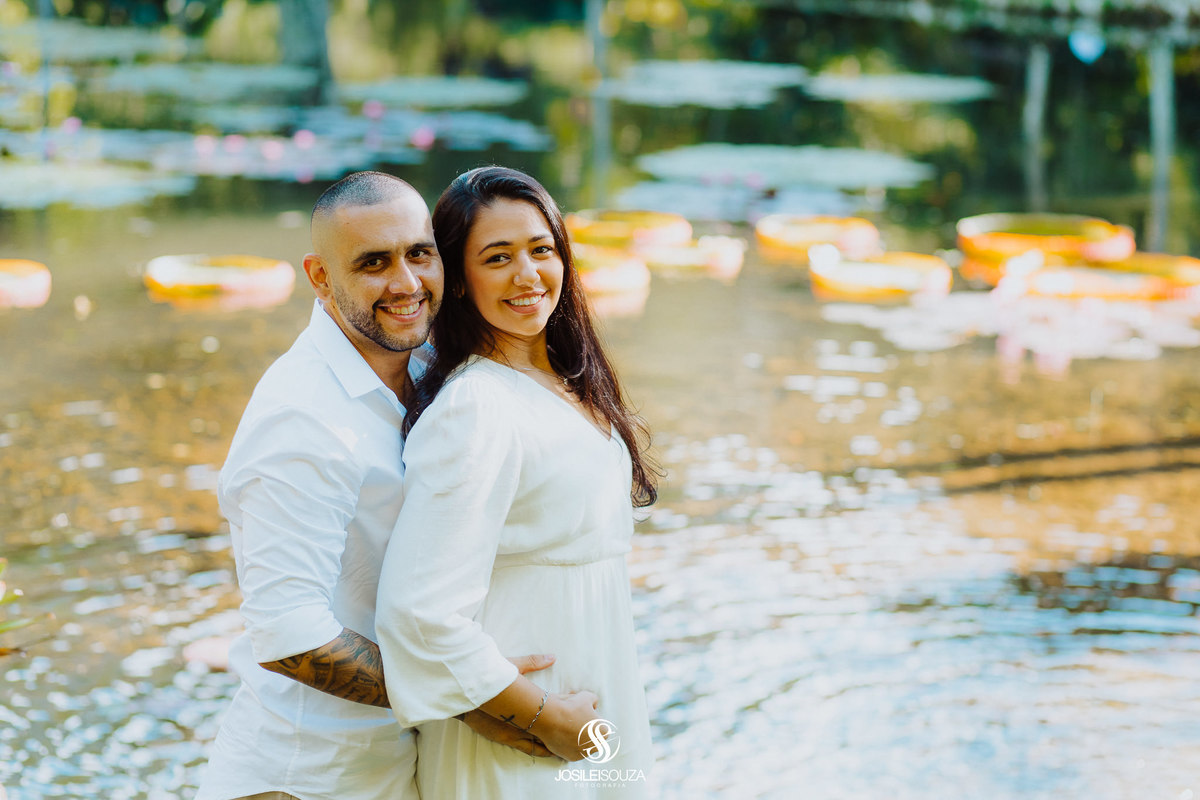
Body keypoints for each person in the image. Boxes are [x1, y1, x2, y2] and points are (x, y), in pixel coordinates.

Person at [195, 171, 552, 800]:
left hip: (398, 764)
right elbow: (288, 634)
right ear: (320, 277)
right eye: (373, 263)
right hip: (305, 778)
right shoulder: (300, 418)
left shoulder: (426, 362)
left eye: (419, 253)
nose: (407, 284)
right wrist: (474, 693)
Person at [375, 166, 658, 798]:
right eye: (497, 258)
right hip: (523, 732)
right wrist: (535, 712)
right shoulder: (476, 405)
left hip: (591, 705)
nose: (528, 276)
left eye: (541, 250)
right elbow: (417, 611)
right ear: (456, 278)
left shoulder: (563, 381)